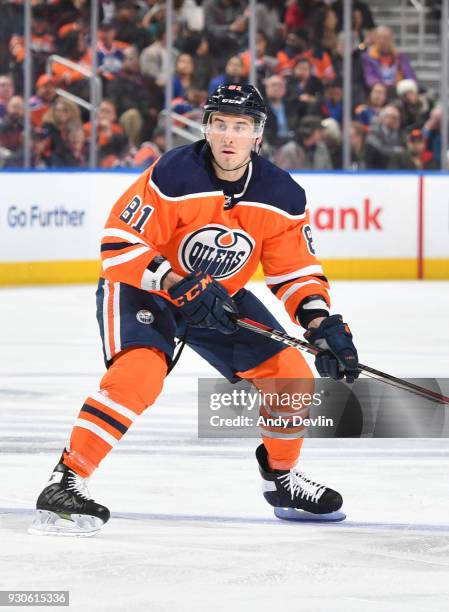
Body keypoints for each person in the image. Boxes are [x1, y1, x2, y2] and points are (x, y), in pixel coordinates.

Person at [30, 84, 358, 537]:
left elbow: (295, 272)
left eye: (240, 127)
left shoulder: (282, 194)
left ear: (257, 135)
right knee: (139, 374)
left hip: (217, 297)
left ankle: (282, 479)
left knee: (292, 375)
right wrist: (175, 281)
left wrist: (322, 324)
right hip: (145, 286)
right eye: (219, 124)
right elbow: (118, 244)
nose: (228, 136)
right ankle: (66, 480)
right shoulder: (174, 174)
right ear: (206, 128)